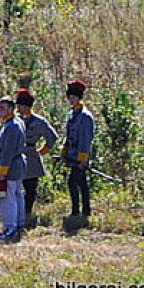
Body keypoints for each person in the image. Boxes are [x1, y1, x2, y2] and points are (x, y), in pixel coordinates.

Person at [14, 88, 57, 226]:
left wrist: (42, 151)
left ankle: (27, 213)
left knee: (31, 188)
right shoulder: (14, 120)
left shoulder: (39, 121)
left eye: (22, 106)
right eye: (19, 105)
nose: (20, 108)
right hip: (17, 155)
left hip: (31, 157)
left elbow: (52, 136)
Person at [0, 96, 27, 243]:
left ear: (10, 109)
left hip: (11, 165)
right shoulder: (15, 123)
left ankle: (10, 227)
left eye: (3, 107)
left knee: (8, 197)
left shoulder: (12, 126)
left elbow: (8, 151)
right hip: (17, 163)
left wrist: (2, 172)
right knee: (17, 195)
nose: (0, 110)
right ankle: (19, 223)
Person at [62, 79, 94, 221]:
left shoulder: (85, 116)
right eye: (70, 96)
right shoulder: (72, 114)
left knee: (73, 182)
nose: (71, 99)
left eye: (74, 96)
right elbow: (68, 135)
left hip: (80, 156)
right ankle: (85, 210)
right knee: (82, 183)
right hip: (71, 154)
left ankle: (76, 211)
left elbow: (85, 140)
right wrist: (64, 152)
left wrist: (83, 159)